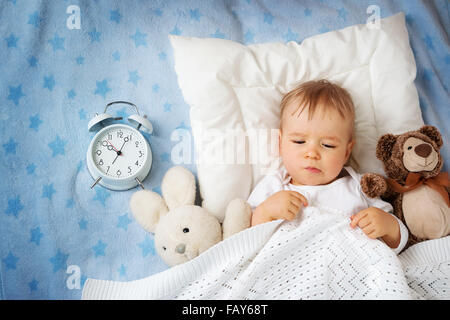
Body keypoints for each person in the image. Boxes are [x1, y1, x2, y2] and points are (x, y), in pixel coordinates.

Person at [248, 79, 408, 254]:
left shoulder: (359, 186)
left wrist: (389, 227)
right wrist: (266, 212)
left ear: (347, 152)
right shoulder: (274, 186)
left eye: (328, 145)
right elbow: (247, 240)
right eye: (299, 141)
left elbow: (397, 242)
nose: (312, 153)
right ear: (281, 143)